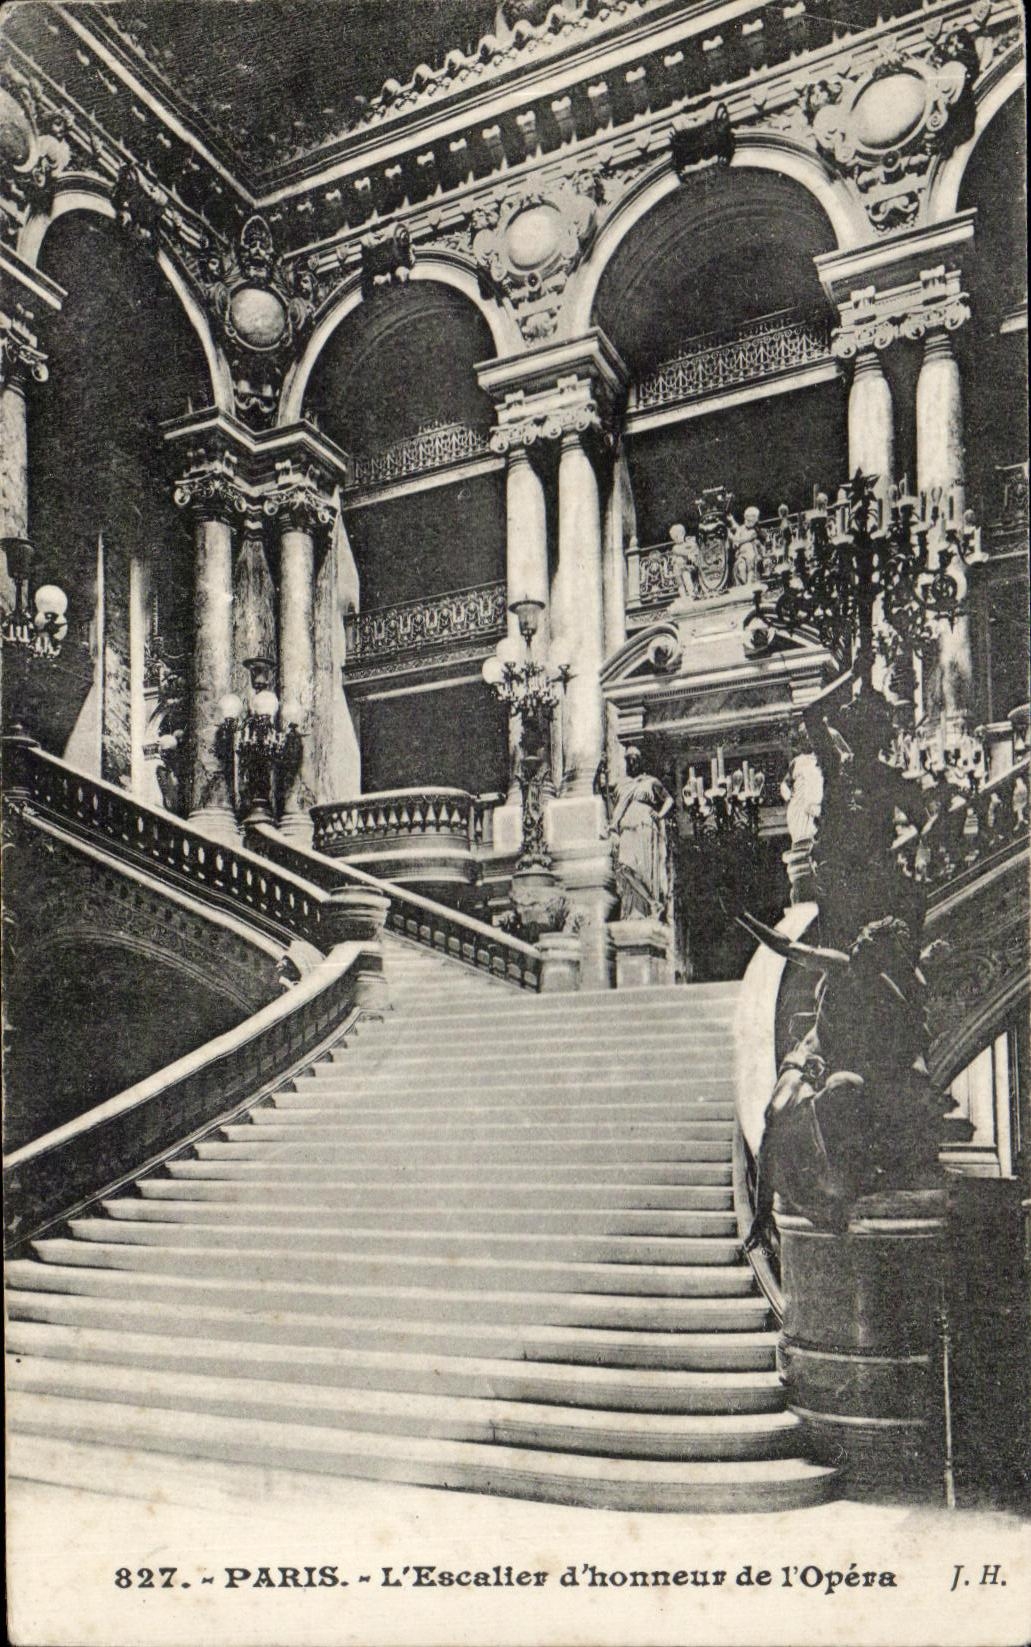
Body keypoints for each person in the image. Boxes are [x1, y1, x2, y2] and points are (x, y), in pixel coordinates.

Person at [608, 747, 674, 920]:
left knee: (641, 868)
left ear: (641, 761)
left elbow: (669, 799)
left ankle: (647, 907)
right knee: (624, 866)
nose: (632, 762)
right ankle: (652, 902)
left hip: (644, 828)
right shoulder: (623, 784)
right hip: (627, 829)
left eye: (635, 759)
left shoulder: (650, 781)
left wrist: (659, 814)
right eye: (628, 759)